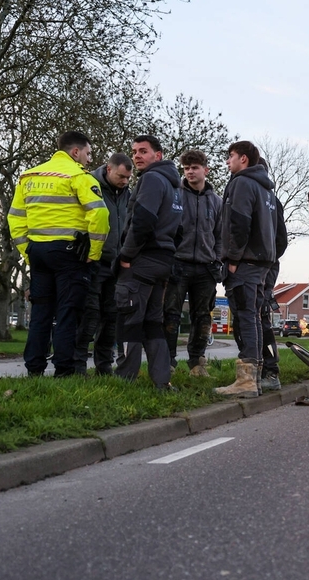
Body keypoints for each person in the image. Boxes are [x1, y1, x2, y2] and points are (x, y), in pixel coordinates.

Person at [7, 131, 110, 377]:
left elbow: (15, 218)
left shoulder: (28, 176)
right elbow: (100, 214)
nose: (89, 159)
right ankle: (64, 371)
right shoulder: (79, 176)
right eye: (88, 153)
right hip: (69, 254)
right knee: (67, 312)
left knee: (40, 313)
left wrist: (27, 252)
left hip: (38, 252)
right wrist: (94, 252)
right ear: (75, 152)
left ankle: (34, 370)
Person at [114, 135, 183, 390]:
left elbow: (142, 221)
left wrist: (126, 256)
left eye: (143, 151)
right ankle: (162, 381)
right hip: (163, 261)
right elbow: (180, 229)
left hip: (142, 260)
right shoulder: (175, 186)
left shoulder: (152, 179)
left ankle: (125, 380)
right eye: (134, 152)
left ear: (158, 155)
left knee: (129, 318)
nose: (137, 156)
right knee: (153, 323)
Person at [215, 141, 277, 398]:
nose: (227, 161)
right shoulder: (267, 190)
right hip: (262, 262)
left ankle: (246, 381)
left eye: (230, 156)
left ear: (243, 158)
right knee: (254, 317)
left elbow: (239, 222)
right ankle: (256, 378)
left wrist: (232, 257)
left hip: (245, 261)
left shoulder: (242, 182)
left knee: (245, 316)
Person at [163, 149, 223, 377]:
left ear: (205, 170)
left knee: (203, 316)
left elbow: (220, 235)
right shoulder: (174, 195)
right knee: (171, 314)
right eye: (186, 168)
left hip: (206, 267)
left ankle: (197, 363)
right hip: (178, 263)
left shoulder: (216, 201)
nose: (190, 172)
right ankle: (167, 362)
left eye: (194, 168)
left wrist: (217, 260)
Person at [73, 153, 132, 375]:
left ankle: (104, 365)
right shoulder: (89, 185)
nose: (125, 181)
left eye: (128, 178)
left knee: (112, 316)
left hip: (117, 265)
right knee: (89, 315)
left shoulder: (128, 194)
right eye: (121, 176)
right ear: (108, 169)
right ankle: (78, 364)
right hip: (93, 261)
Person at [256, 157, 288, 393]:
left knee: (261, 315)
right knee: (250, 317)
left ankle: (270, 370)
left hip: (263, 266)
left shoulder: (271, 202)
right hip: (256, 264)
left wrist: (266, 258)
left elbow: (281, 240)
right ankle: (256, 368)